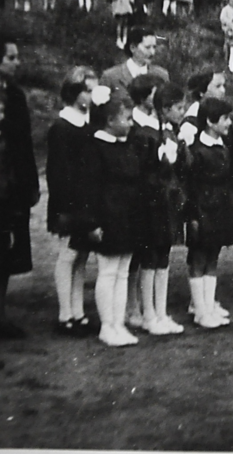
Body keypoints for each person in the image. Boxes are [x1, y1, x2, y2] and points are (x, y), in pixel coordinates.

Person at [76, 86, 141, 347]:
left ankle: (118, 323)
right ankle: (106, 325)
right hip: (108, 218)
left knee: (123, 271)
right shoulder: (95, 148)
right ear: (111, 120)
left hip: (127, 216)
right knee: (108, 271)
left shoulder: (126, 145)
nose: (131, 123)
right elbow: (88, 190)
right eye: (127, 118)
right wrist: (92, 223)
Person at [126, 75, 185, 336]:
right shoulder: (141, 132)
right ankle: (147, 313)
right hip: (150, 201)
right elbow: (142, 169)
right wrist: (161, 160)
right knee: (149, 256)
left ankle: (160, 312)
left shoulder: (166, 129)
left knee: (163, 256)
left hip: (167, 200)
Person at [46, 68, 96, 336]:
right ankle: (65, 313)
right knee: (68, 256)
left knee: (81, 257)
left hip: (86, 201)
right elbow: (58, 173)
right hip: (69, 204)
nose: (92, 94)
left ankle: (78, 313)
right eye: (88, 89)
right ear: (74, 92)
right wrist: (65, 209)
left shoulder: (87, 123)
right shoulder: (62, 127)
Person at [182, 97, 233, 329]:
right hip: (202, 211)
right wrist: (193, 216)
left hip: (220, 210)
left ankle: (208, 305)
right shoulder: (197, 151)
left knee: (213, 257)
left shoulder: (223, 147)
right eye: (225, 119)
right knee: (198, 258)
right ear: (210, 122)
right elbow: (190, 187)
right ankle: (200, 310)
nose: (229, 123)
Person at [0, 41, 40, 340]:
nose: (17, 62)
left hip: (10, 187)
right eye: (10, 58)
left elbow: (24, 144)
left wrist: (30, 185)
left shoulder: (14, 95)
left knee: (6, 253)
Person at [100, 27, 170, 96]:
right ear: (132, 48)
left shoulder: (162, 75)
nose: (152, 52)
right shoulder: (110, 76)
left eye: (154, 47)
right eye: (147, 47)